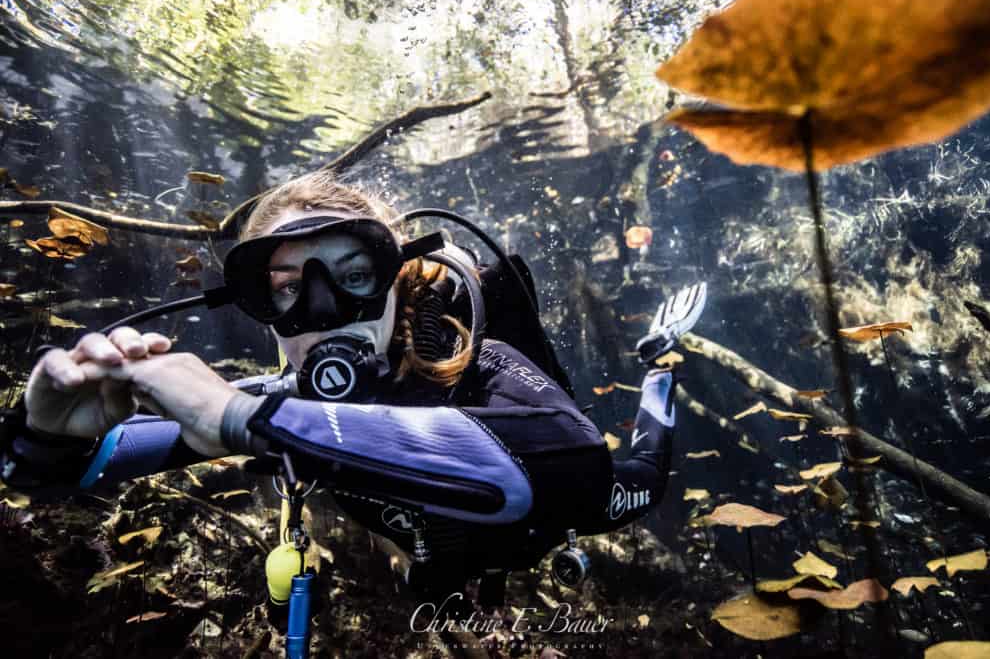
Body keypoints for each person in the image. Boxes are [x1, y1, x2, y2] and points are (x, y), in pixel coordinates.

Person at [0, 170, 704, 607]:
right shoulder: (273, 406)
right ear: (262, 310)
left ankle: (656, 361)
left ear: (398, 281)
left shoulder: (480, 366)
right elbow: (62, 471)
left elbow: (576, 463)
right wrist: (46, 434)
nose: (325, 309)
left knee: (641, 475)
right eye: (287, 288)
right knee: (430, 586)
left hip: (563, 517)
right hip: (438, 561)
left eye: (354, 276)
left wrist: (250, 419)